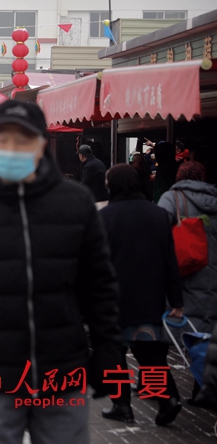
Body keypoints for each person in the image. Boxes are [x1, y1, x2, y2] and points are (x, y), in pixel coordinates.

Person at [0, 100, 121, 444]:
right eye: (3, 139)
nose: (12, 148)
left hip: (63, 369)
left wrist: (109, 352)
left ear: (42, 144)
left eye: (23, 139)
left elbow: (99, 287)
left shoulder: (74, 203)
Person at [99, 164, 184, 425]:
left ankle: (122, 406)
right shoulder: (159, 215)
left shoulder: (105, 217)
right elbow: (171, 260)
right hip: (149, 295)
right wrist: (177, 300)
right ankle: (168, 399)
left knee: (113, 355)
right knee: (149, 353)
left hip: (114, 298)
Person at [158, 162, 217, 331]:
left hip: (184, 264)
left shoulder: (172, 198)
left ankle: (186, 349)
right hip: (212, 269)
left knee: (184, 318)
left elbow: (160, 232)